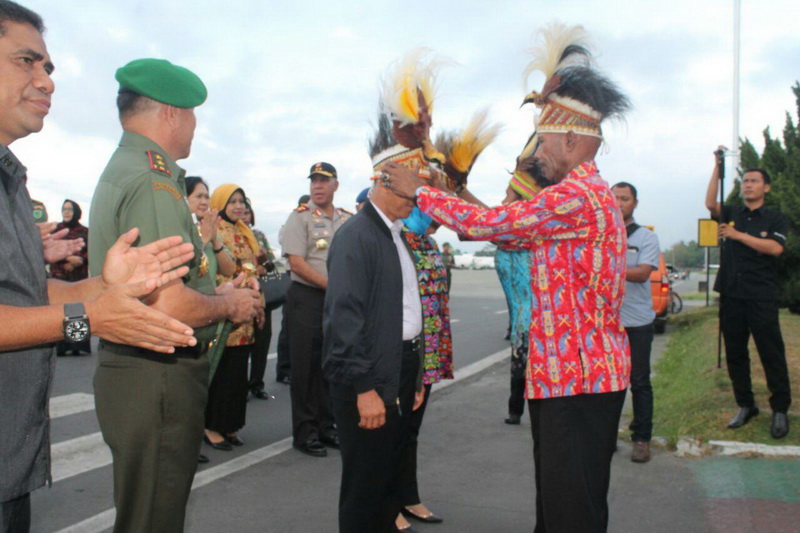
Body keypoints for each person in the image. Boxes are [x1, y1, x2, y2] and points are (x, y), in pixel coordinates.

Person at [385, 24, 631, 532]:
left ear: (568, 138)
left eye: (541, 140)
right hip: (574, 380)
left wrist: (420, 192)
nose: (536, 153)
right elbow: (506, 231)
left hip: (576, 383)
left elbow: (493, 224)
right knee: (569, 504)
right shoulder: (574, 201)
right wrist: (453, 192)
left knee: (570, 512)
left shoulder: (575, 197)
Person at [0, 4, 201, 530]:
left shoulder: (11, 181)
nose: (47, 82)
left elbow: (26, 298)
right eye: (27, 61)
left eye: (48, 68)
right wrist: (90, 318)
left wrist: (104, 287)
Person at [88, 58, 262, 533]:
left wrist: (215, 287)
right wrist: (230, 304)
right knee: (153, 519)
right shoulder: (154, 180)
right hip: (157, 376)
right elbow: (163, 301)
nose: (194, 126)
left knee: (145, 512)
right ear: (169, 113)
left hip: (142, 373)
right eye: (191, 114)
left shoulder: (132, 168)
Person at [705, 149, 791, 439]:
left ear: (766, 187)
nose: (748, 185)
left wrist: (738, 235)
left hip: (761, 295)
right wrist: (718, 167)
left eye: (754, 181)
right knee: (736, 354)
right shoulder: (732, 213)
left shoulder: (776, 219)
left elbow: (776, 248)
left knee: (771, 352)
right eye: (745, 182)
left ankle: (779, 408)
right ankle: (745, 404)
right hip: (731, 294)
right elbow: (709, 203)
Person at [282, 162, 351, 457]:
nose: (318, 186)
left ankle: (327, 426)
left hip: (335, 302)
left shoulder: (347, 219)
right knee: (305, 369)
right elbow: (296, 262)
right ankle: (305, 433)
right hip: (307, 298)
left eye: (324, 181)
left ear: (336, 185)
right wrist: (330, 286)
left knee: (330, 366)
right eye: (314, 181)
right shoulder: (300, 218)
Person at [395, 211, 453, 531]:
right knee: (395, 429)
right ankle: (387, 503)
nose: (438, 217)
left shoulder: (428, 242)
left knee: (411, 429)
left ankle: (407, 496)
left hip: (430, 346)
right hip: (405, 347)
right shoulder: (398, 239)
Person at [203, 184, 265, 451]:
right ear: (220, 204)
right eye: (232, 202)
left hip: (246, 312)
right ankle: (211, 426)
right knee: (222, 371)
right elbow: (215, 270)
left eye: (242, 201)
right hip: (225, 309)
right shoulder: (214, 230)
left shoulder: (244, 230)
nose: (239, 206)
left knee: (238, 374)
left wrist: (257, 298)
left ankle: (230, 425)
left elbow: (253, 268)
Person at [185, 175, 236, 465]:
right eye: (198, 196)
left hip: (211, 317)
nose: (204, 201)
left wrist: (214, 237)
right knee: (189, 385)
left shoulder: (209, 230)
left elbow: (228, 267)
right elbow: (187, 274)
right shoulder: (182, 230)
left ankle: (193, 442)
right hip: (190, 315)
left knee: (203, 381)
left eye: (206, 196)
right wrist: (202, 237)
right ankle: (187, 445)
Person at [612, 182, 660, 462]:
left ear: (635, 203)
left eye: (625, 198)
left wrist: (603, 266)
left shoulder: (645, 237)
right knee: (609, 385)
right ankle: (606, 436)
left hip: (638, 323)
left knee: (639, 382)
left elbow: (642, 273)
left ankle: (641, 439)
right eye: (614, 198)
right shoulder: (599, 235)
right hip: (607, 323)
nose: (619, 203)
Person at [274, 193, 310, 386]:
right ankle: (284, 369)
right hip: (294, 277)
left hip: (308, 279)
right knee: (289, 326)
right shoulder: (291, 224)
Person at [243, 198, 276, 400]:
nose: (243, 215)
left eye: (247, 212)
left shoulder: (259, 236)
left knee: (262, 342)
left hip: (262, 295)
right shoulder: (230, 235)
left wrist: (264, 262)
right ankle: (240, 385)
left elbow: (272, 263)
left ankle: (257, 383)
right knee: (242, 343)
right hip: (241, 294)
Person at [51, 199, 91, 355]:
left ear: (76, 212)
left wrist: (80, 261)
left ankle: (77, 346)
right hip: (59, 277)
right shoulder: (56, 230)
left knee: (77, 311)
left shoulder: (85, 231)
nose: (66, 212)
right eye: (64, 209)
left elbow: (89, 250)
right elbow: (48, 249)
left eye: (69, 209)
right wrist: (67, 259)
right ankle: (62, 347)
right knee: (60, 310)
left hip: (78, 277)